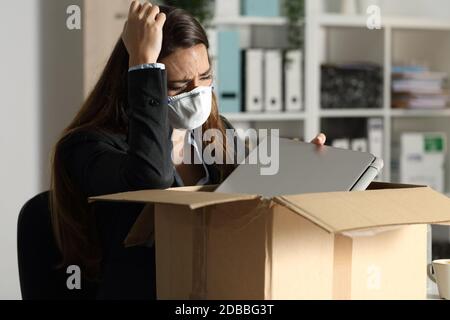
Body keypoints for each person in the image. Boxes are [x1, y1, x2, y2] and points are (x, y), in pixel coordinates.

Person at [49, 1, 327, 300]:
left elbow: (252, 207)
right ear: (139, 83)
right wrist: (143, 63)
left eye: (205, 77)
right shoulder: (85, 147)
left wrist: (300, 170)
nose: (197, 94)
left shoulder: (217, 134)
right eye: (179, 86)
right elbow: (150, 178)